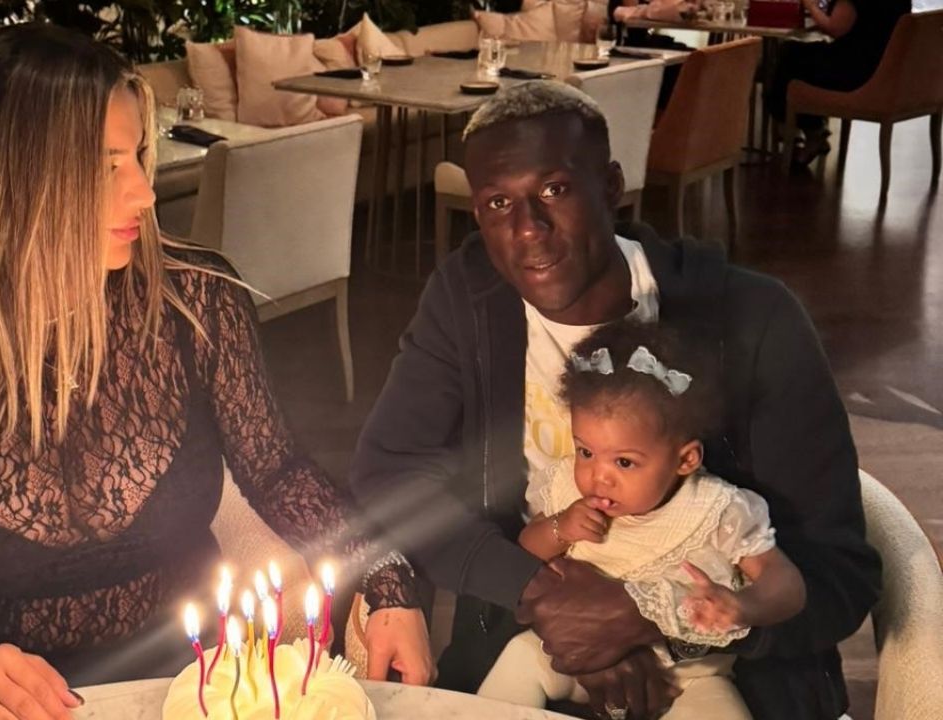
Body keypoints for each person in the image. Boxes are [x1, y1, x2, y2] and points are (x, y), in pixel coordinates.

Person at [0, 24, 431, 720]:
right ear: (9, 180)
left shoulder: (197, 302)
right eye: (106, 167)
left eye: (137, 159)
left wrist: (386, 576)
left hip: (179, 687)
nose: (143, 194)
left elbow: (278, 471)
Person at [350, 82, 880, 720]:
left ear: (611, 187)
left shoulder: (751, 318)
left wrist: (650, 622)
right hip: (528, 645)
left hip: (729, 676)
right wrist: (542, 597)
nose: (528, 228)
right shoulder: (467, 301)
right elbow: (392, 472)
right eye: (498, 203)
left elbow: (839, 575)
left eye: (554, 189)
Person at [477, 320, 806, 719]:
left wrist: (742, 605)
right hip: (578, 660)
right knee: (521, 657)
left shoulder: (715, 510)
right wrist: (559, 528)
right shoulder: (566, 491)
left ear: (686, 459)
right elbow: (525, 552)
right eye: (585, 452)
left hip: (687, 678)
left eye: (624, 462)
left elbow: (786, 583)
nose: (598, 476)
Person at [767, 0, 912, 166]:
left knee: (790, 57)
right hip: (884, 74)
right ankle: (809, 129)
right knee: (800, 57)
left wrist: (810, 6)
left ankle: (810, 131)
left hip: (855, 73)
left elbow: (835, 28)